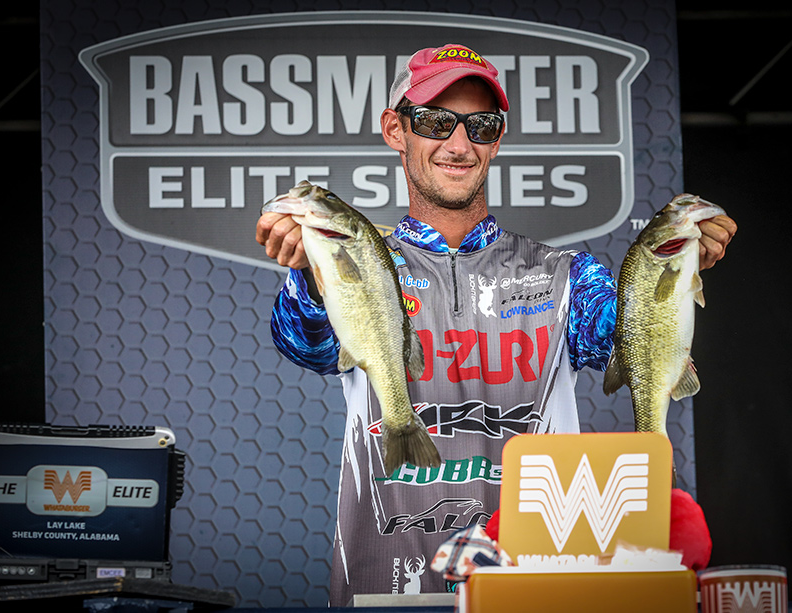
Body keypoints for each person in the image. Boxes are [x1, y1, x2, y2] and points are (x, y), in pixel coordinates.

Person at [256, 43, 736, 606]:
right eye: (435, 121)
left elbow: (622, 337)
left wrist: (671, 270)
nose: (459, 145)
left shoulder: (567, 275)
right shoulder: (360, 264)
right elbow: (304, 343)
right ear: (395, 129)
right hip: (384, 587)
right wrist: (311, 274)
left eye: (480, 126)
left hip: (534, 587)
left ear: (498, 139)